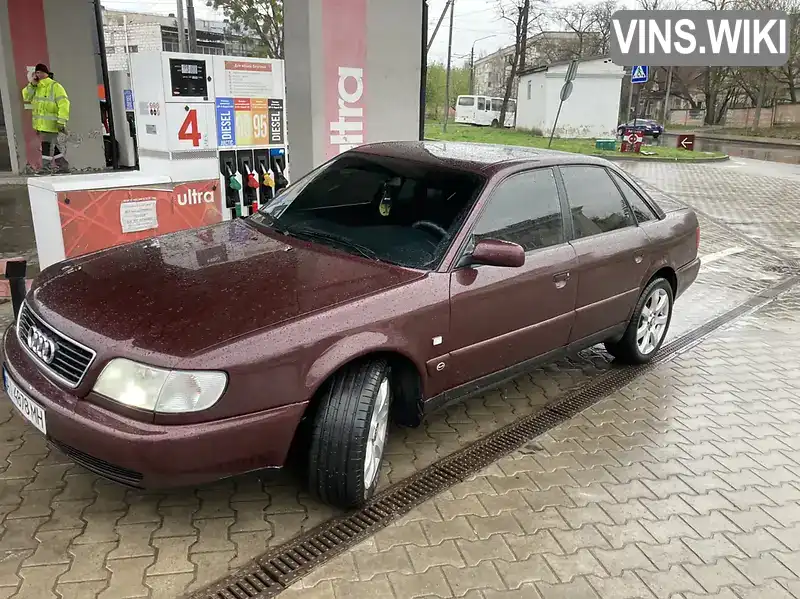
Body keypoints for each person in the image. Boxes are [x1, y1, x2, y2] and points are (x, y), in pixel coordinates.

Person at [22, 63, 70, 173]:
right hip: (40, 124)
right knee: (52, 145)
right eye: (36, 72)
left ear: (45, 73)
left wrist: (61, 121)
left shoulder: (55, 86)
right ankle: (63, 165)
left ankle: (46, 168)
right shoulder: (36, 86)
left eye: (39, 72)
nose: (37, 74)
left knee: (47, 145)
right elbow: (26, 96)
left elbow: (64, 104)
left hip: (52, 124)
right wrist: (32, 84)